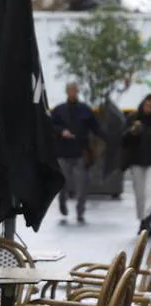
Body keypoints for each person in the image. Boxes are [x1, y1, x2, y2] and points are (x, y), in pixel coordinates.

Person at [50, 82, 102, 224]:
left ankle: (80, 210)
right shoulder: (59, 110)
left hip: (81, 151)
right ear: (67, 92)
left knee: (82, 183)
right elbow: (50, 126)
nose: (73, 93)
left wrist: (105, 137)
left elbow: (95, 127)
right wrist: (61, 131)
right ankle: (62, 202)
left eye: (75, 90)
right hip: (63, 151)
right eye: (70, 90)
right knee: (62, 182)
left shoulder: (85, 110)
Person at [122, 95, 151, 231]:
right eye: (147, 105)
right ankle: (142, 219)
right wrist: (132, 132)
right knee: (140, 193)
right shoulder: (134, 118)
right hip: (137, 161)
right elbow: (123, 140)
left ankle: (147, 219)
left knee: (149, 192)